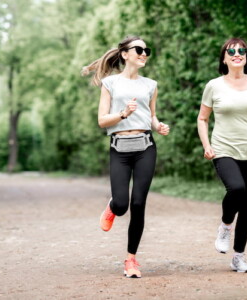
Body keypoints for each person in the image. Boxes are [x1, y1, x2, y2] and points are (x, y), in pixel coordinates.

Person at [82, 35, 170, 278]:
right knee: (122, 204)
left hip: (145, 147)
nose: (144, 53)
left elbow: (151, 116)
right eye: (139, 49)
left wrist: (158, 125)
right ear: (125, 54)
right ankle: (112, 207)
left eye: (146, 49)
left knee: (139, 203)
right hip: (119, 148)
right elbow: (102, 121)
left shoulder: (150, 84)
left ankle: (131, 259)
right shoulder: (110, 83)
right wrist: (122, 114)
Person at [197, 38, 247, 273]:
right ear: (224, 58)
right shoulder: (214, 85)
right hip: (223, 149)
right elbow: (202, 118)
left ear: (246, 57)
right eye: (231, 51)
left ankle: (238, 256)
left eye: (242, 50)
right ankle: (225, 225)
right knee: (237, 189)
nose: (237, 53)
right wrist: (207, 145)